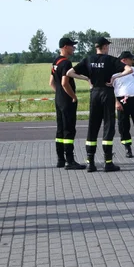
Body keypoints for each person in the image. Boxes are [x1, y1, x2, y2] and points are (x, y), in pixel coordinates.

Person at [66, 37, 134, 172]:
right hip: (107, 93)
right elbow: (129, 69)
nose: (108, 48)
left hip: (95, 93)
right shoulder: (110, 60)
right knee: (108, 126)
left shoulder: (88, 59)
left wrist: (87, 78)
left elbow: (69, 73)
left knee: (93, 126)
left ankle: (90, 162)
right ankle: (108, 162)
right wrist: (115, 77)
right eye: (107, 46)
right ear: (104, 47)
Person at [50, 36, 85, 169]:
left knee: (60, 130)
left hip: (58, 99)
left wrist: (59, 93)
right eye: (72, 46)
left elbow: (51, 82)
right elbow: (65, 83)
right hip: (67, 101)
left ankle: (60, 159)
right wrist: (73, 96)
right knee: (69, 130)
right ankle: (70, 161)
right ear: (65, 47)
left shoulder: (55, 61)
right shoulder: (66, 63)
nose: (74, 48)